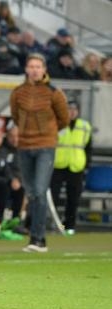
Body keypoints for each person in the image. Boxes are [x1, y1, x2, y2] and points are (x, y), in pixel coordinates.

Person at [10, 53, 69, 252]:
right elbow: (16, 117)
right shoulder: (17, 93)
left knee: (40, 190)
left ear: (44, 70)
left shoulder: (54, 92)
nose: (34, 70)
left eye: (38, 66)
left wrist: (48, 133)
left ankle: (39, 239)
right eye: (31, 66)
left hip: (46, 146)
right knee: (32, 192)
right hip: (24, 147)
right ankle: (34, 238)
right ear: (26, 69)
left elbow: (64, 119)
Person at [50, 100, 92, 236]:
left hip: (76, 166)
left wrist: (86, 165)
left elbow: (88, 147)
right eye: (69, 109)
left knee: (73, 199)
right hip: (58, 165)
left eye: (74, 109)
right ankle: (55, 225)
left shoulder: (85, 126)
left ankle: (69, 226)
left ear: (78, 111)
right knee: (54, 197)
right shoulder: (58, 124)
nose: (72, 112)